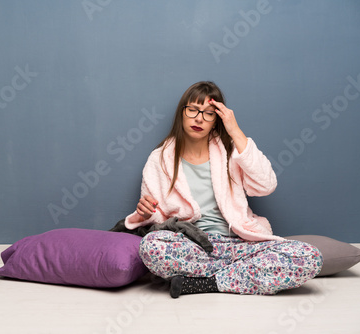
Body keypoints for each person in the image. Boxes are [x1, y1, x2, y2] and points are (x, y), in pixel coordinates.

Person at [124, 81, 323, 298]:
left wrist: (235, 131)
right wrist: (146, 213)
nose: (199, 118)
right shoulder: (160, 158)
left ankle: (205, 283)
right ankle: (243, 274)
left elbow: (266, 185)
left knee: (310, 256)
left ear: (216, 120)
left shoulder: (231, 151)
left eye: (209, 113)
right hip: (194, 246)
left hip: (239, 243)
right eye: (192, 110)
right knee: (151, 246)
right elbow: (159, 217)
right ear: (182, 112)